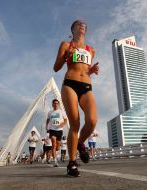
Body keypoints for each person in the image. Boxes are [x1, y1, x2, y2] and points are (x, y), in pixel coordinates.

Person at [54, 20, 99, 177]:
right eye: (78, 24)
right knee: (75, 123)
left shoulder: (91, 50)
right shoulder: (66, 45)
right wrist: (66, 56)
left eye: (84, 25)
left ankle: (80, 143)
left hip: (86, 86)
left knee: (92, 121)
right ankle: (72, 163)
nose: (82, 25)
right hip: (70, 84)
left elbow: (84, 69)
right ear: (72, 29)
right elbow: (56, 67)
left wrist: (91, 70)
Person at [46, 99, 67, 167]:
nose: (55, 104)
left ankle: (51, 155)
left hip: (59, 130)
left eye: (57, 103)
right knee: (54, 145)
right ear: (52, 104)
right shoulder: (50, 112)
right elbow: (48, 119)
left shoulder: (61, 112)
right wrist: (46, 126)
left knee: (57, 148)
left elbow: (66, 120)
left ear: (58, 104)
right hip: (52, 130)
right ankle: (55, 161)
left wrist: (63, 124)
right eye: (54, 103)